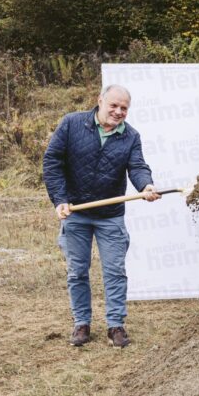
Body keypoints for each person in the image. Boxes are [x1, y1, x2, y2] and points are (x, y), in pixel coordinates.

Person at [43, 84, 160, 348]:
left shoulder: (131, 136)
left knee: (115, 272)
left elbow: (138, 166)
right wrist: (60, 200)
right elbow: (52, 161)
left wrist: (146, 186)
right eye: (114, 106)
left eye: (124, 108)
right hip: (76, 213)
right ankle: (81, 323)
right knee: (77, 272)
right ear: (100, 101)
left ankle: (115, 325)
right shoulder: (72, 124)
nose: (118, 112)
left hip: (110, 216)